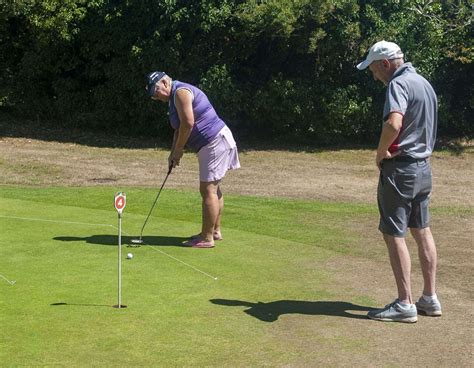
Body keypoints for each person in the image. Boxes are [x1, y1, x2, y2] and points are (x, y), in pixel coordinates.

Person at [356, 41, 442, 323]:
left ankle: (405, 303)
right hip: (423, 169)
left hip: (401, 169)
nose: (374, 76)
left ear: (385, 63)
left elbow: (393, 123)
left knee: (394, 233)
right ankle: (429, 298)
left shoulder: (398, 84)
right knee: (422, 230)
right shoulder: (424, 83)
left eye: (373, 70)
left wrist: (380, 153)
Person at [146, 71, 240, 248]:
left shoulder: (181, 92)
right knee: (213, 188)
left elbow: (188, 123)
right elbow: (179, 128)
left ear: (165, 83)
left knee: (208, 189)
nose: (156, 97)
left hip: (214, 142)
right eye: (153, 95)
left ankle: (207, 238)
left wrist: (179, 151)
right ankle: (214, 231)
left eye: (156, 92)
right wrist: (173, 153)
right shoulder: (173, 98)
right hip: (213, 143)